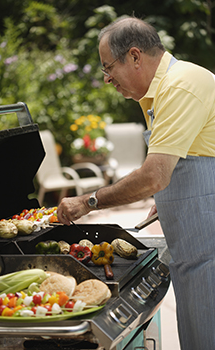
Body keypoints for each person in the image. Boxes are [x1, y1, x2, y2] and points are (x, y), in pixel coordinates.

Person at [57, 16, 215, 350]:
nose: (106, 78)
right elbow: (186, 163)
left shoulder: (179, 87)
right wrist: (170, 196)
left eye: (107, 66)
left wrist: (88, 202)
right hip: (196, 253)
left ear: (134, 56)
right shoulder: (157, 93)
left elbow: (154, 175)